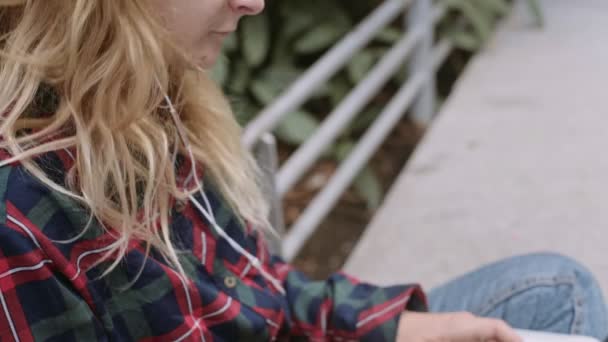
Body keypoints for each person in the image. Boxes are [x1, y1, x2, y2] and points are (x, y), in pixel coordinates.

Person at [0, 0, 606, 341]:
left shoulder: (150, 101)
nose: (252, 1)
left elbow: (265, 294)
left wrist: (410, 329)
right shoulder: (18, 220)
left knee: (551, 291)